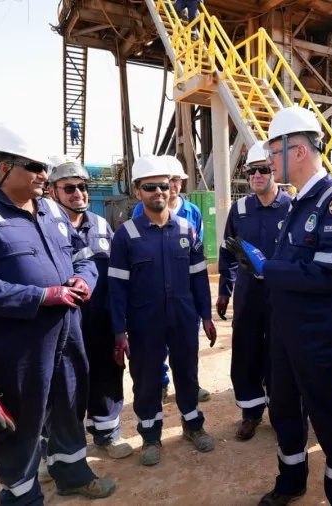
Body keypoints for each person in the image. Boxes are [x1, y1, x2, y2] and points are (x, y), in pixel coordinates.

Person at [0, 123, 114, 503]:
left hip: (68, 333)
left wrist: (84, 279)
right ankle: (22, 495)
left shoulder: (51, 210)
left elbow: (84, 256)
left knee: (70, 405)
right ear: (4, 168)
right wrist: (41, 296)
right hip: (13, 347)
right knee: (19, 421)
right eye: (33, 167)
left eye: (44, 167)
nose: (43, 175)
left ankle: (72, 473)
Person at [227, 106, 332, 506]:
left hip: (320, 337)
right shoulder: (300, 203)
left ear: (300, 151)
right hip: (286, 331)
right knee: (285, 412)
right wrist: (263, 267)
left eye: (274, 153)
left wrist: (267, 268)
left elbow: (331, 273)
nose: (268, 162)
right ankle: (290, 483)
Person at [108, 155, 217, 467]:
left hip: (183, 317)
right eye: (150, 186)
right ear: (137, 191)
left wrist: (206, 315)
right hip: (144, 321)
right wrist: (119, 331)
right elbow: (117, 287)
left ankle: (193, 425)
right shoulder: (126, 235)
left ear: (171, 188)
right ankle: (151, 435)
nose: (158, 191)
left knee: (187, 372)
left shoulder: (186, 229)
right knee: (146, 379)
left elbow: (199, 277)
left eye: (163, 185)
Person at [45, 157, 133, 459]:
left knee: (108, 375)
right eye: (69, 188)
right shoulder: (45, 228)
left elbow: (118, 273)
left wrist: (121, 321)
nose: (78, 193)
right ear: (52, 191)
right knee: (62, 385)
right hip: (65, 321)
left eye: (83, 187)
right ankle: (54, 449)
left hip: (103, 318)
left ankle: (107, 434)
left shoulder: (100, 225)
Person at [217, 141, 291, 441]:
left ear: (274, 171)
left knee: (279, 351)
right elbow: (227, 252)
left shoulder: (291, 207)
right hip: (248, 294)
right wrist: (224, 290)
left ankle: (280, 409)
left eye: (263, 170)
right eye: (251, 171)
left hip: (280, 293)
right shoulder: (240, 209)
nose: (257, 176)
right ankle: (250, 412)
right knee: (246, 350)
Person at [132, 155, 210, 403]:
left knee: (187, 343)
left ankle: (190, 385)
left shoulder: (192, 212)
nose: (173, 185)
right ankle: (162, 383)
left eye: (176, 181)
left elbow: (197, 251)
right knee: (157, 344)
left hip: (184, 290)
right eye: (170, 180)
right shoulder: (140, 210)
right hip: (154, 288)